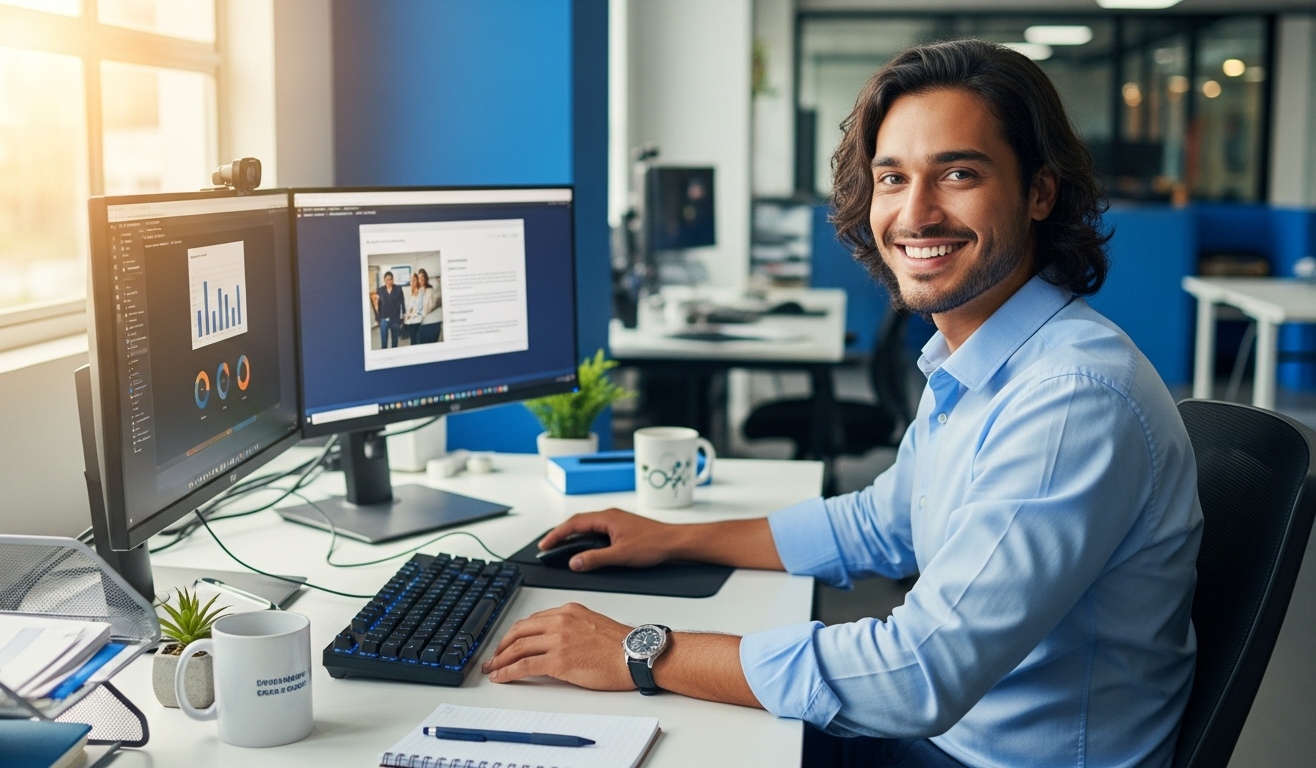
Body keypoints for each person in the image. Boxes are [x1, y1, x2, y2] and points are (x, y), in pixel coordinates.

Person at [482, 40, 1202, 768]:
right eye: (893, 178)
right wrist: (672, 539)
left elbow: (919, 673)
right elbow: (880, 526)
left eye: (958, 173)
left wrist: (644, 652)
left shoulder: (1068, 397)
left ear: (1039, 192)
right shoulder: (983, 359)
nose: (915, 214)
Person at [371, 270, 404, 349]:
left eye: (391, 279)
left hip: (395, 319)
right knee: (384, 341)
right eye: (387, 280)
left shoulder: (398, 289)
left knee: (395, 341)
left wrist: (402, 317)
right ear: (384, 280)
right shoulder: (380, 290)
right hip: (383, 319)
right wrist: (377, 318)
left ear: (393, 279)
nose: (389, 281)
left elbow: (402, 303)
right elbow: (378, 306)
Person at [415, 268, 442, 344]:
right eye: (419, 278)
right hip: (422, 322)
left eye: (422, 277)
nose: (420, 280)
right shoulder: (420, 290)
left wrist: (419, 316)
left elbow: (428, 308)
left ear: (426, 278)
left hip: (429, 323)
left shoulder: (429, 290)